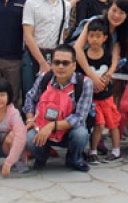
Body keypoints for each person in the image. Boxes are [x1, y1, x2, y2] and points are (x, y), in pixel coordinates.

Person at [24, 44, 94, 172]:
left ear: (74, 65)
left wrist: (52, 126)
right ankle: (42, 156)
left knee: (81, 134)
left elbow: (79, 118)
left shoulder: (84, 83)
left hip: (69, 130)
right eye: (57, 62)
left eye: (65, 63)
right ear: (52, 64)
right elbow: (30, 98)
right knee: (29, 137)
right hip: (42, 126)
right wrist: (30, 119)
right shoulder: (44, 78)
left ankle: (74, 159)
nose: (60, 66)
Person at [75, 18, 122, 163]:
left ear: (104, 38)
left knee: (113, 123)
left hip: (107, 97)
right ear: (87, 37)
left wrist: (105, 80)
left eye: (98, 36)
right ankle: (93, 150)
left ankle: (116, 149)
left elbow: (111, 70)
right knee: (99, 124)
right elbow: (80, 76)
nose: (94, 39)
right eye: (91, 36)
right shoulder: (83, 56)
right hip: (92, 99)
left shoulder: (107, 55)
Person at [23, 0, 72, 75]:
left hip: (56, 57)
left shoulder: (66, 5)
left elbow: (63, 34)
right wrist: (42, 62)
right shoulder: (31, 3)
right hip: (33, 57)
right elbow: (28, 36)